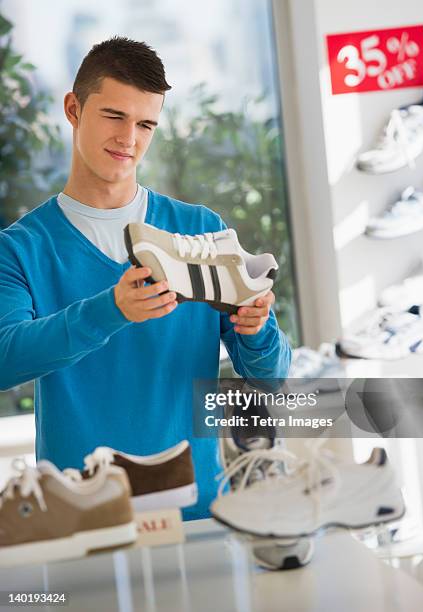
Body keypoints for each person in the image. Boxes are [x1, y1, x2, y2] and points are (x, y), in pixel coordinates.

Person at [0, 37, 291, 519]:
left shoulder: (202, 231)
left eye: (146, 124)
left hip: (199, 511)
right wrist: (109, 311)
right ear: (74, 109)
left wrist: (257, 331)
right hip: (82, 519)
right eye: (114, 116)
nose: (129, 139)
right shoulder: (19, 250)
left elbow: (272, 377)